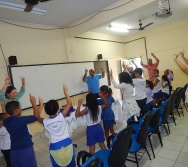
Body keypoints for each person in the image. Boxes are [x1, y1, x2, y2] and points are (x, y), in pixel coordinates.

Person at [36, 84, 76, 167]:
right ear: (58, 108)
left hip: (54, 146)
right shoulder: (61, 116)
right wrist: (66, 92)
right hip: (67, 142)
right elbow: (69, 103)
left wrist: (40, 106)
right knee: (71, 164)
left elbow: (36, 117)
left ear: (46, 111)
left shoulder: (45, 121)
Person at [3, 94, 42, 167]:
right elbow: (37, 116)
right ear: (16, 110)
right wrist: (33, 102)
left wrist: (5, 107)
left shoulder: (6, 121)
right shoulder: (20, 120)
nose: (21, 109)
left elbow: (6, 115)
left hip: (14, 151)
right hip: (25, 150)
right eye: (20, 108)